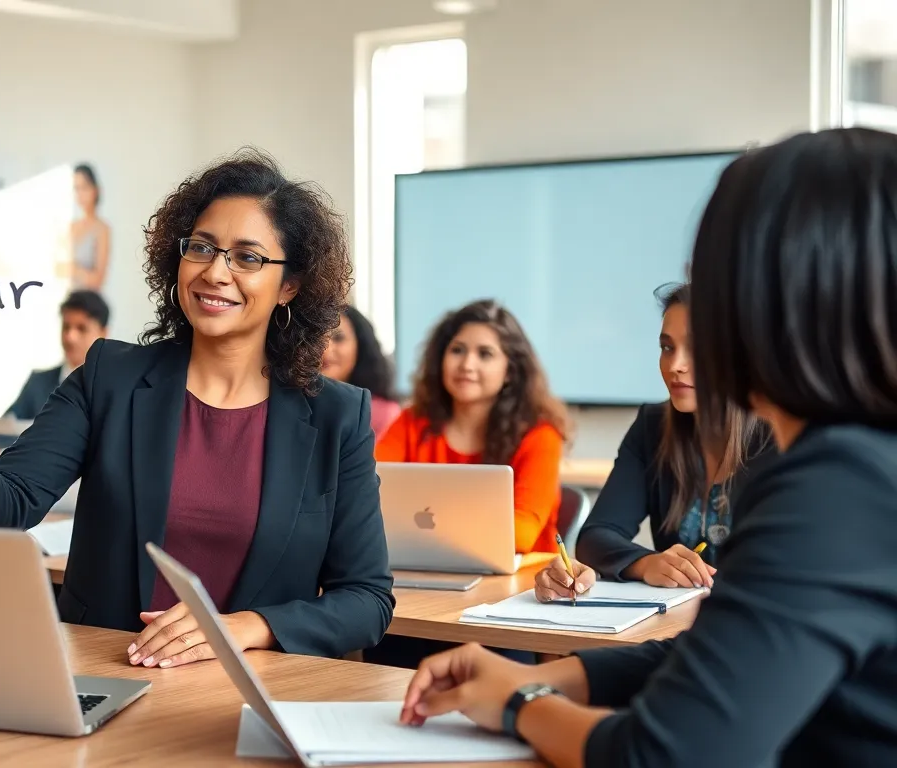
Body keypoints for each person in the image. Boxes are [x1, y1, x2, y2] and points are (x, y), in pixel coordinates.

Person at [400, 128, 897, 767]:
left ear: (777, 297)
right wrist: (543, 677)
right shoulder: (864, 464)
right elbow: (725, 658)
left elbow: (666, 756)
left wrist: (522, 703)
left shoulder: (839, 487)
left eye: (713, 277)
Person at [0, 149, 395, 667]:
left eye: (247, 258)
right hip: (108, 676)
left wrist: (248, 627)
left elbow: (366, 599)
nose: (216, 272)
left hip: (251, 690)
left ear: (288, 285)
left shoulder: (337, 416)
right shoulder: (109, 378)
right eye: (201, 247)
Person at [533, 283, 776, 602]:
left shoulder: (781, 438)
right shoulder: (652, 426)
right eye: (667, 347)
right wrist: (647, 564)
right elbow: (596, 536)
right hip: (674, 622)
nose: (675, 365)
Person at [375, 300, 569, 554]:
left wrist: (425, 526)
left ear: (510, 371)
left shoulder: (540, 436)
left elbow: (521, 534)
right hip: (423, 564)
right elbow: (365, 489)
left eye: (485, 354)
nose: (467, 365)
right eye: (457, 350)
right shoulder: (413, 421)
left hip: (522, 575)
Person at [5, 290, 110, 420]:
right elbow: (6, 426)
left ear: (103, 333)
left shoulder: (116, 388)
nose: (70, 337)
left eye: (82, 328)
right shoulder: (38, 383)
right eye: (66, 327)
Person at [321, 304, 401, 438]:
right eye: (315, 339)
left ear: (361, 345)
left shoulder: (384, 415)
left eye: (338, 338)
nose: (325, 350)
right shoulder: (292, 407)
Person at [71, 163, 110, 291]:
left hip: (88, 300)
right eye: (76, 188)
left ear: (95, 190)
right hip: (67, 299)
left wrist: (72, 269)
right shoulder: (70, 227)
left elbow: (98, 280)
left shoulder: (102, 229)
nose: (80, 194)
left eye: (84, 187)